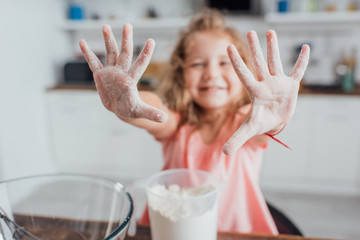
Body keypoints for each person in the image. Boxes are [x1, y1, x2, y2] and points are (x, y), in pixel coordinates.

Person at [79, 9, 310, 234]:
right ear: (181, 75)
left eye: (225, 63)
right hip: (173, 229)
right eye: (198, 64)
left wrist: (274, 118)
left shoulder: (245, 123)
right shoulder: (177, 125)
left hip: (235, 232)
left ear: (244, 74)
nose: (211, 74)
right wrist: (132, 101)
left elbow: (262, 123)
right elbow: (154, 112)